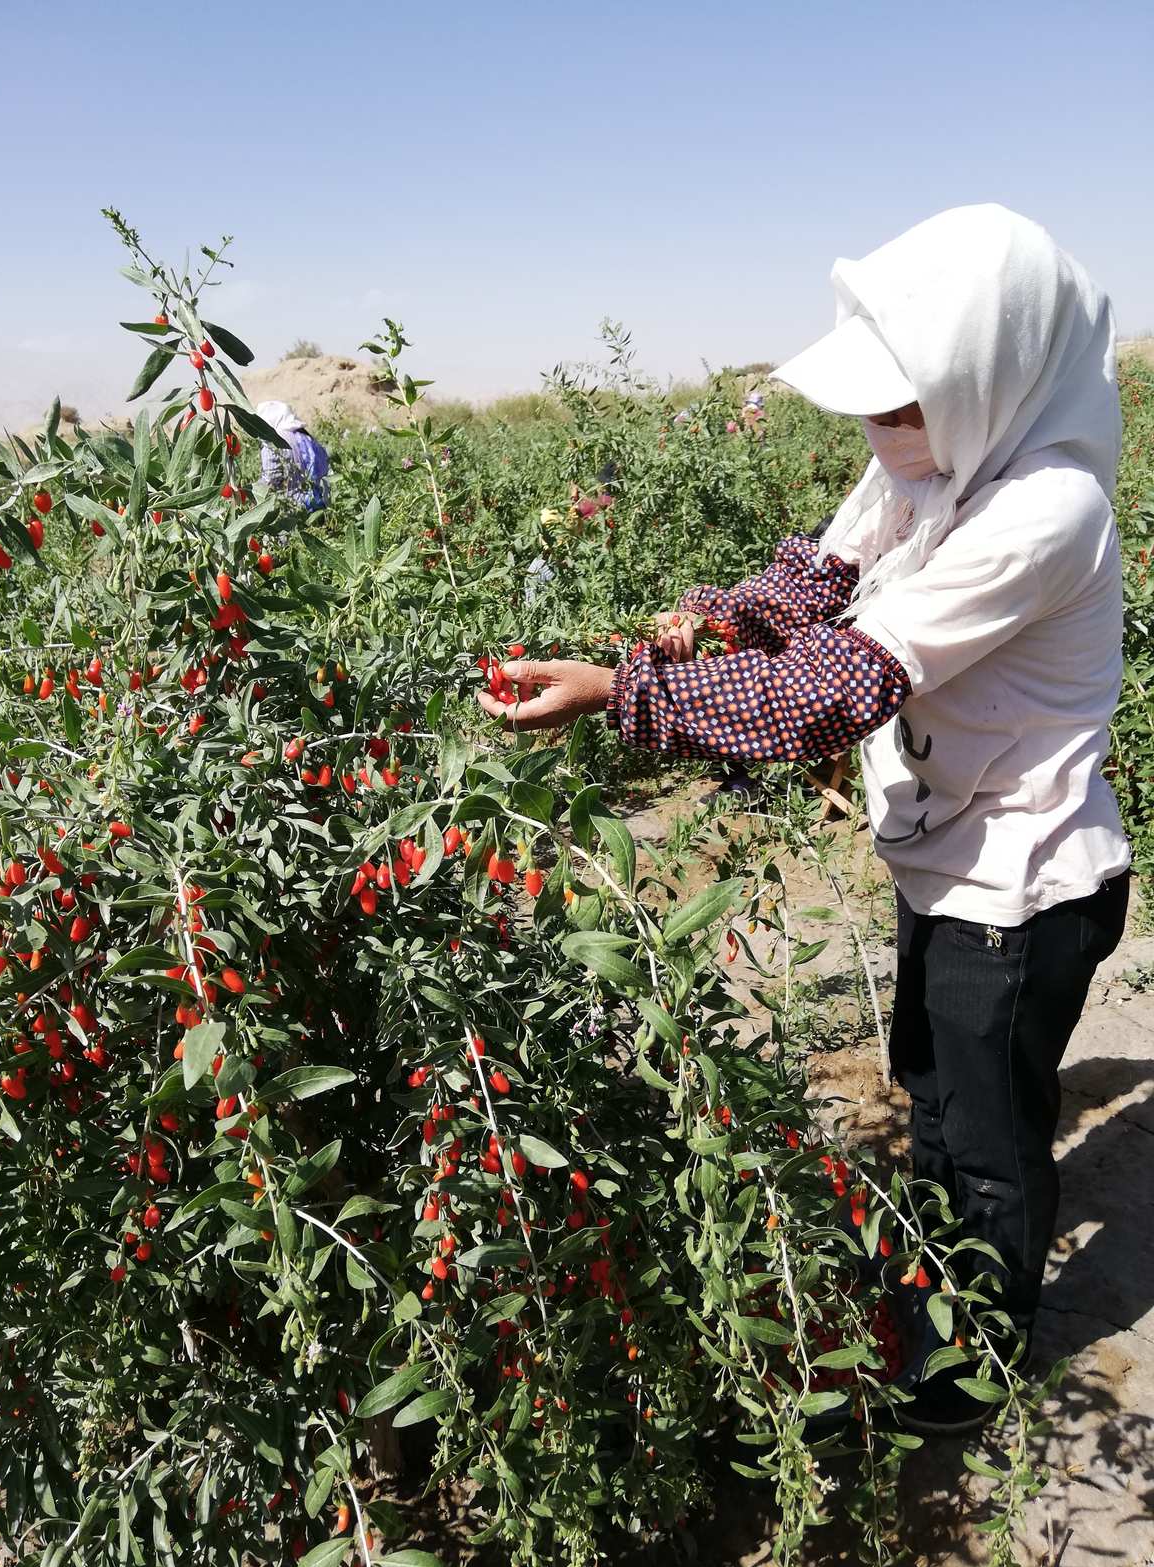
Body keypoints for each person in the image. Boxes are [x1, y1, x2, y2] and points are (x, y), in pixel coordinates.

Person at [478, 204, 1131, 1433]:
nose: (881, 430)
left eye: (903, 402)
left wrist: (627, 693)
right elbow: (812, 587)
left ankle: (972, 1363)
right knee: (932, 1087)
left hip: (1026, 879)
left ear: (989, 375)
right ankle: (934, 1293)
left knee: (988, 1135)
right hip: (949, 854)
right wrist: (707, 622)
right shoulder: (931, 454)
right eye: (873, 406)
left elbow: (835, 685)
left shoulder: (1044, 512)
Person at [256, 400, 331, 511]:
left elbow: (271, 479)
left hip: (295, 509)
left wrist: (252, 491)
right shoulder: (305, 436)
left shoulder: (272, 442)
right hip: (320, 503)